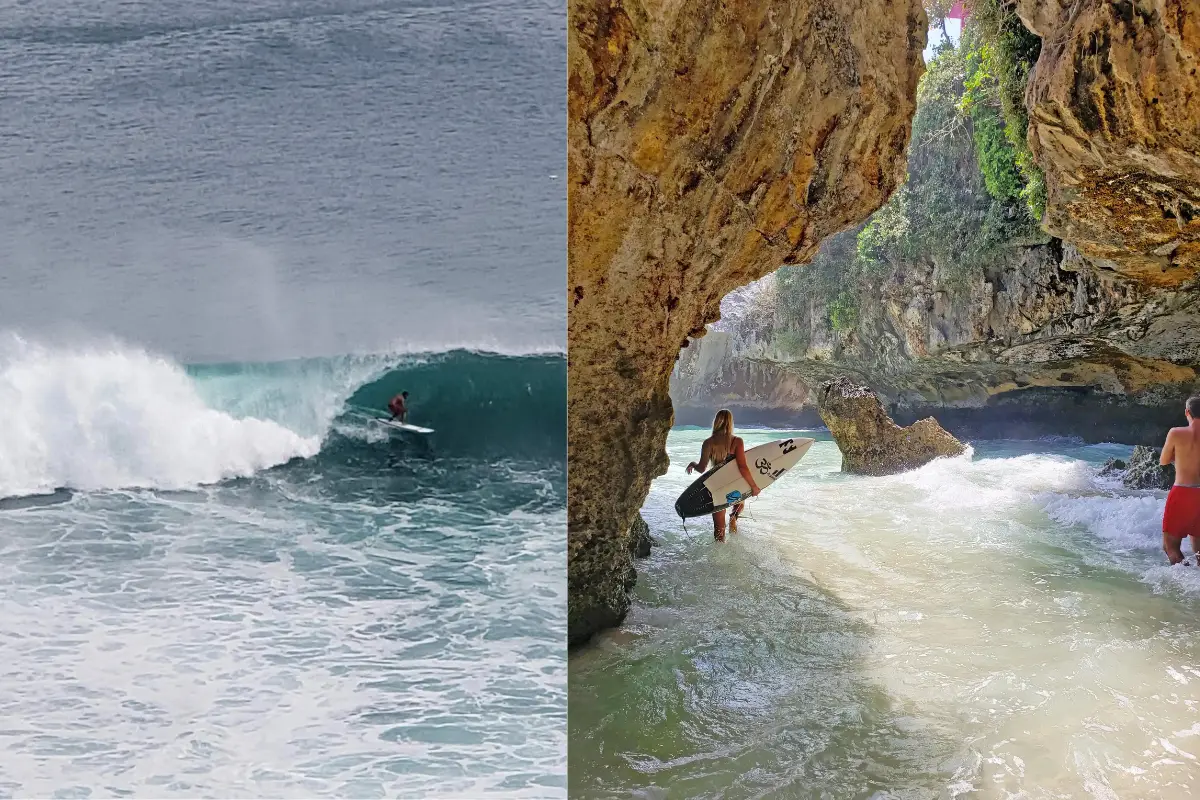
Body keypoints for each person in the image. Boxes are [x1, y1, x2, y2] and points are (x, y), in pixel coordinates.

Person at [685, 409, 760, 542]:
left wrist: (693, 464)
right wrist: (753, 486)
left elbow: (702, 469)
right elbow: (742, 467)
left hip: (716, 487)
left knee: (719, 531)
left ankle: (718, 558)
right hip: (734, 484)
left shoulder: (708, 442)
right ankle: (733, 517)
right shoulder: (737, 441)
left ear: (716, 422)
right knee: (739, 504)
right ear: (730, 422)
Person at [1161, 396, 1200, 565]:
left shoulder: (1176, 433)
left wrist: (1181, 457)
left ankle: (1183, 582)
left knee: (1170, 547)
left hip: (1183, 491)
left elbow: (1163, 460)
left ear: (1187, 412)